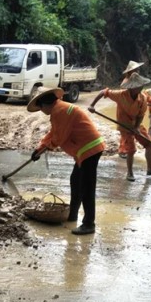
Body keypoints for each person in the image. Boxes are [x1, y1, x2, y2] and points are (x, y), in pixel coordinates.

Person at [28, 87, 105, 235]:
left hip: (90, 149)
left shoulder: (60, 111)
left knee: (86, 188)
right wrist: (40, 148)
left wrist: (47, 147)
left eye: (40, 107)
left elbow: (58, 138)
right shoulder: (59, 110)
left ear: (44, 104)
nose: (41, 110)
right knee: (75, 181)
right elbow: (54, 133)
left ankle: (89, 224)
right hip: (84, 151)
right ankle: (73, 214)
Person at [88, 66, 151, 181]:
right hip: (124, 126)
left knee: (149, 144)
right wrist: (92, 105)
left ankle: (150, 169)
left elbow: (141, 115)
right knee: (131, 150)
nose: (142, 87)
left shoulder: (142, 98)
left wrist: (137, 127)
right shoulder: (120, 95)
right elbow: (104, 92)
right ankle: (130, 173)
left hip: (136, 124)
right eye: (139, 86)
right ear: (132, 87)